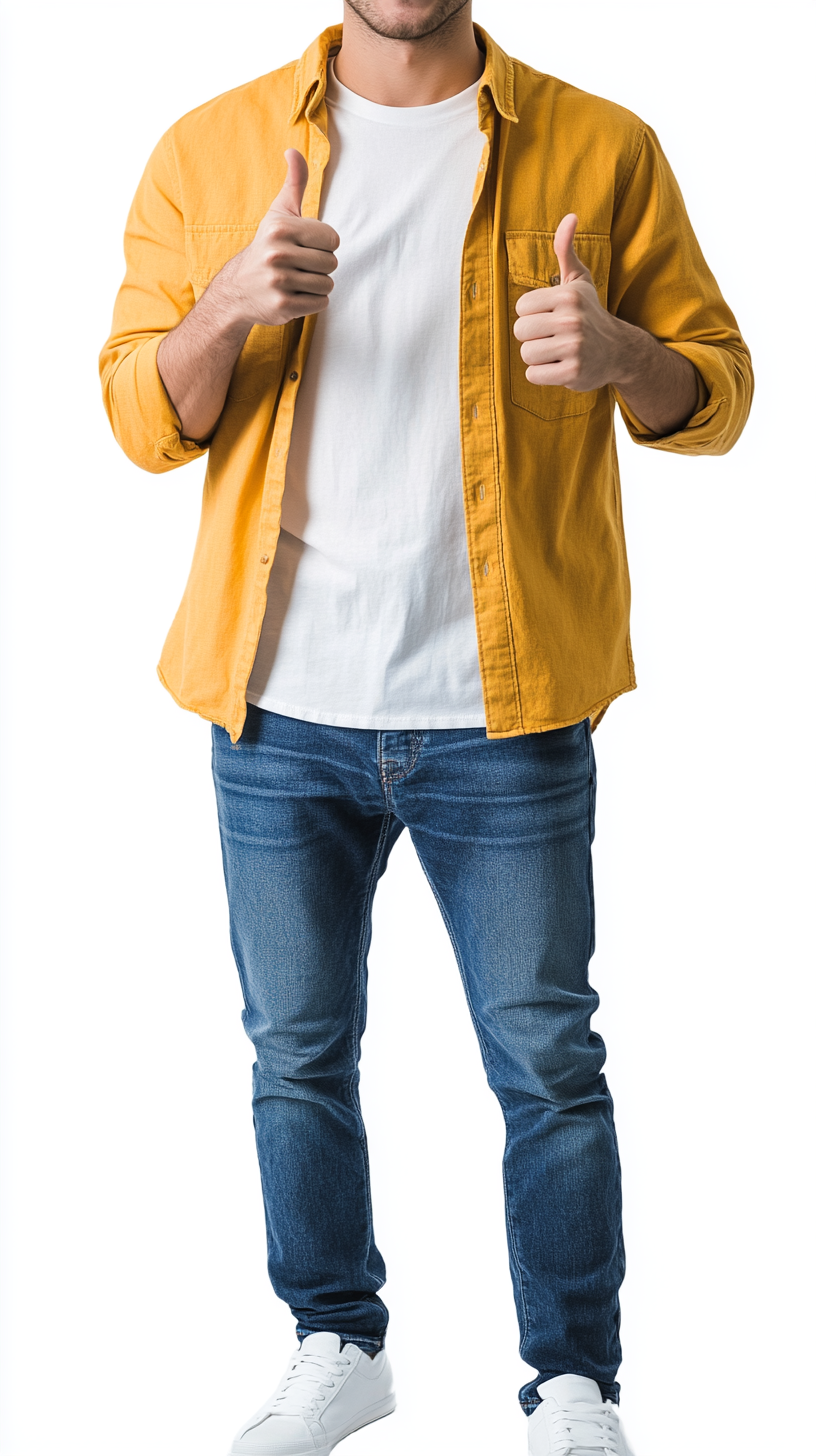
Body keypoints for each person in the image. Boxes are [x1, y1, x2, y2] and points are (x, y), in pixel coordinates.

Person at [99, 1, 752, 1451]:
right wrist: (225, 306)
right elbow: (142, 421)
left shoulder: (603, 145)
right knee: (296, 1054)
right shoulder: (209, 150)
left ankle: (575, 1386)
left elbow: (719, 394)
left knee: (547, 1060)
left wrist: (625, 354)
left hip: (503, 715)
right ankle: (339, 1342)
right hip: (277, 709)